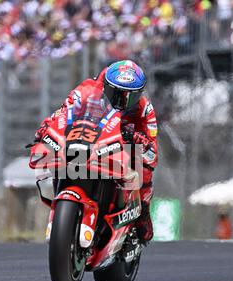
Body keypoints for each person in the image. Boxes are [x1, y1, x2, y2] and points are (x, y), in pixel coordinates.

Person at [34, 60, 158, 245]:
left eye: (128, 97)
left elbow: (152, 153)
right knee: (57, 156)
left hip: (120, 148)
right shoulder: (85, 90)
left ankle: (142, 216)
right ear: (105, 86)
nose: (121, 101)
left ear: (139, 94)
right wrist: (46, 127)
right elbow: (62, 114)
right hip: (89, 142)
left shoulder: (144, 109)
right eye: (115, 93)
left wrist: (140, 140)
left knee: (144, 170)